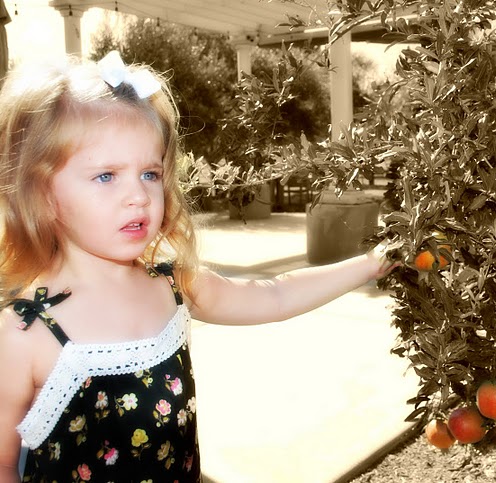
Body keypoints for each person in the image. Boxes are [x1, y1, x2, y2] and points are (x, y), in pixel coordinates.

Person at [0, 51, 397, 483]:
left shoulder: (172, 284)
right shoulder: (25, 333)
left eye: (150, 174)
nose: (138, 196)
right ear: (41, 193)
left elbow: (275, 296)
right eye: (106, 176)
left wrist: (370, 264)